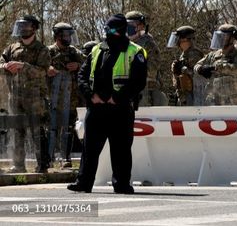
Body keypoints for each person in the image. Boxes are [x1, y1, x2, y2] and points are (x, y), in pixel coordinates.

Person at [68, 14, 147, 194]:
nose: (109, 34)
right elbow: (82, 75)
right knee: (89, 149)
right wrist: (90, 95)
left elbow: (138, 81)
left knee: (121, 149)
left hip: (120, 108)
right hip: (96, 107)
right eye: (107, 30)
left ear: (121, 31)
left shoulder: (135, 51)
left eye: (113, 30)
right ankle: (83, 183)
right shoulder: (97, 49)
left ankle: (121, 184)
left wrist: (117, 98)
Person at [0, 15, 52, 173]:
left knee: (38, 129)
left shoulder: (41, 49)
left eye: (27, 26)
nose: (23, 29)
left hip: (35, 97)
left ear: (35, 29)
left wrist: (23, 66)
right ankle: (19, 165)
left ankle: (43, 165)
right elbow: (1, 62)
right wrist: (7, 66)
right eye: (21, 26)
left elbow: (43, 71)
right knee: (17, 130)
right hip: (15, 96)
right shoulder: (12, 47)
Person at [47, 22, 83, 168]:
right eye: (64, 35)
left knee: (68, 128)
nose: (67, 38)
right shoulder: (48, 51)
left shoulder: (74, 52)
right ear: (57, 36)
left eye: (69, 35)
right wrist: (47, 68)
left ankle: (65, 158)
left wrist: (78, 66)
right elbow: (39, 66)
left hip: (71, 98)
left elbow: (89, 62)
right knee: (51, 128)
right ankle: (48, 158)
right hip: (52, 97)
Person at [193, 24, 237, 105]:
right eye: (219, 36)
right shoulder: (213, 55)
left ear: (232, 38)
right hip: (215, 101)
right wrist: (201, 69)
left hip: (235, 102)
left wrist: (219, 67)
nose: (220, 39)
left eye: (224, 36)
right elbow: (196, 65)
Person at [125, 11, 166, 106]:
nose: (129, 28)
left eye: (133, 25)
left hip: (145, 91)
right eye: (127, 25)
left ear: (141, 26)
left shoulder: (148, 43)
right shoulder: (126, 44)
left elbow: (153, 68)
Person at [167, 26, 204, 106]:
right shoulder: (184, 54)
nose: (177, 42)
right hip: (184, 95)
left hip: (193, 95)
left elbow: (197, 75)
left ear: (185, 39)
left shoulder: (194, 54)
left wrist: (183, 69)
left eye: (179, 39)